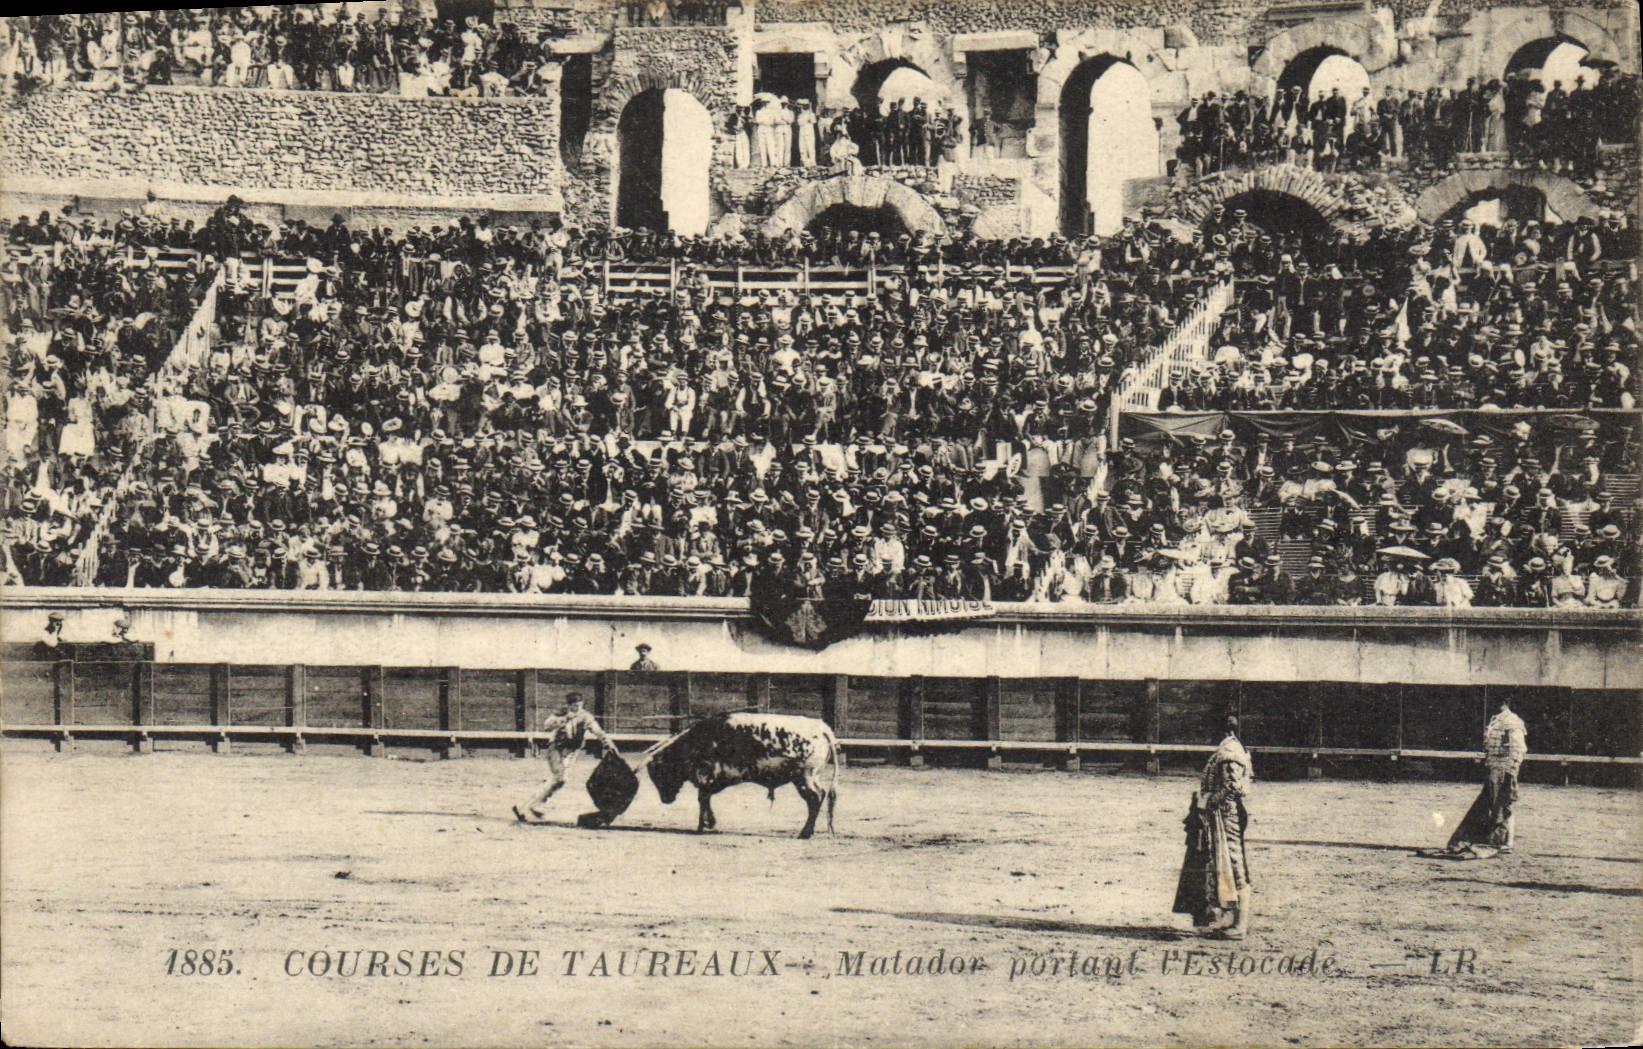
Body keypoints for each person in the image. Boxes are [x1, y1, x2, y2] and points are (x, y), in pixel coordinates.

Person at [1173, 716, 1255, 940]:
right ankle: (1234, 920)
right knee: (1226, 862)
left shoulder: (1229, 751)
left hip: (1226, 815)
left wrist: (1210, 801)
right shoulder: (1230, 748)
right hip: (1221, 813)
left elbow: (1233, 787)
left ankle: (1240, 925)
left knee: (1234, 863)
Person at [1442, 696, 1527, 857]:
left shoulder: (1512, 721)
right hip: (1494, 767)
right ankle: (1498, 840)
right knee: (1494, 804)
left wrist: (1511, 771)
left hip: (1504, 768)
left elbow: (1518, 749)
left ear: (1505, 703)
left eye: (1497, 702)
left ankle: (1505, 841)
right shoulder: (1496, 720)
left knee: (1503, 804)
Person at [514, 692, 611, 823]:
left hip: (572, 753)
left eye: (578, 704)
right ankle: (524, 807)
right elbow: (547, 725)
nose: (576, 707)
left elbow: (597, 731)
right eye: (573, 705)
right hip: (556, 749)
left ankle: (532, 805)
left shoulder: (585, 717)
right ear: (569, 705)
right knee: (559, 778)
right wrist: (563, 719)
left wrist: (608, 743)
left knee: (560, 780)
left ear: (582, 704)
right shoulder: (561, 713)